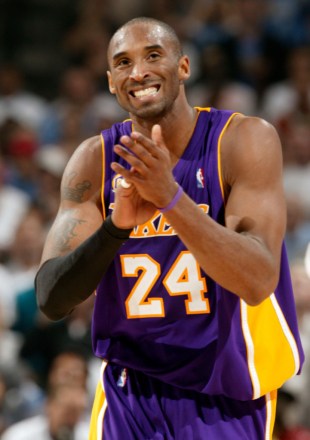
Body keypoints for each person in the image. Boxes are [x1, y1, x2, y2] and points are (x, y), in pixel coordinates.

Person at [35, 17, 304, 440]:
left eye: (153, 56)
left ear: (183, 67)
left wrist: (171, 198)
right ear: (110, 82)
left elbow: (258, 280)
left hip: (224, 390)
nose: (138, 72)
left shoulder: (243, 141)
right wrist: (116, 227)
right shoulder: (95, 160)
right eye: (123, 63)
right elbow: (51, 298)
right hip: (129, 391)